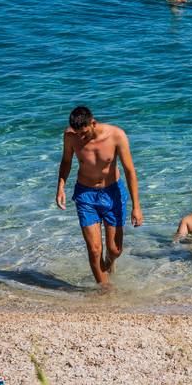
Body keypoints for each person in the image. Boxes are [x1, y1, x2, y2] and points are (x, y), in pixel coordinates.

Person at [55, 106, 143, 286]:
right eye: (77, 133)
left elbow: (129, 171)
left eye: (84, 133)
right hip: (85, 194)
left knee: (115, 249)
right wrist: (61, 187)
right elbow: (66, 161)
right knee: (95, 250)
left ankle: (110, 264)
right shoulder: (70, 136)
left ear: (93, 123)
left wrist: (136, 206)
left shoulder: (116, 135)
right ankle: (105, 290)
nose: (81, 138)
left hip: (113, 193)